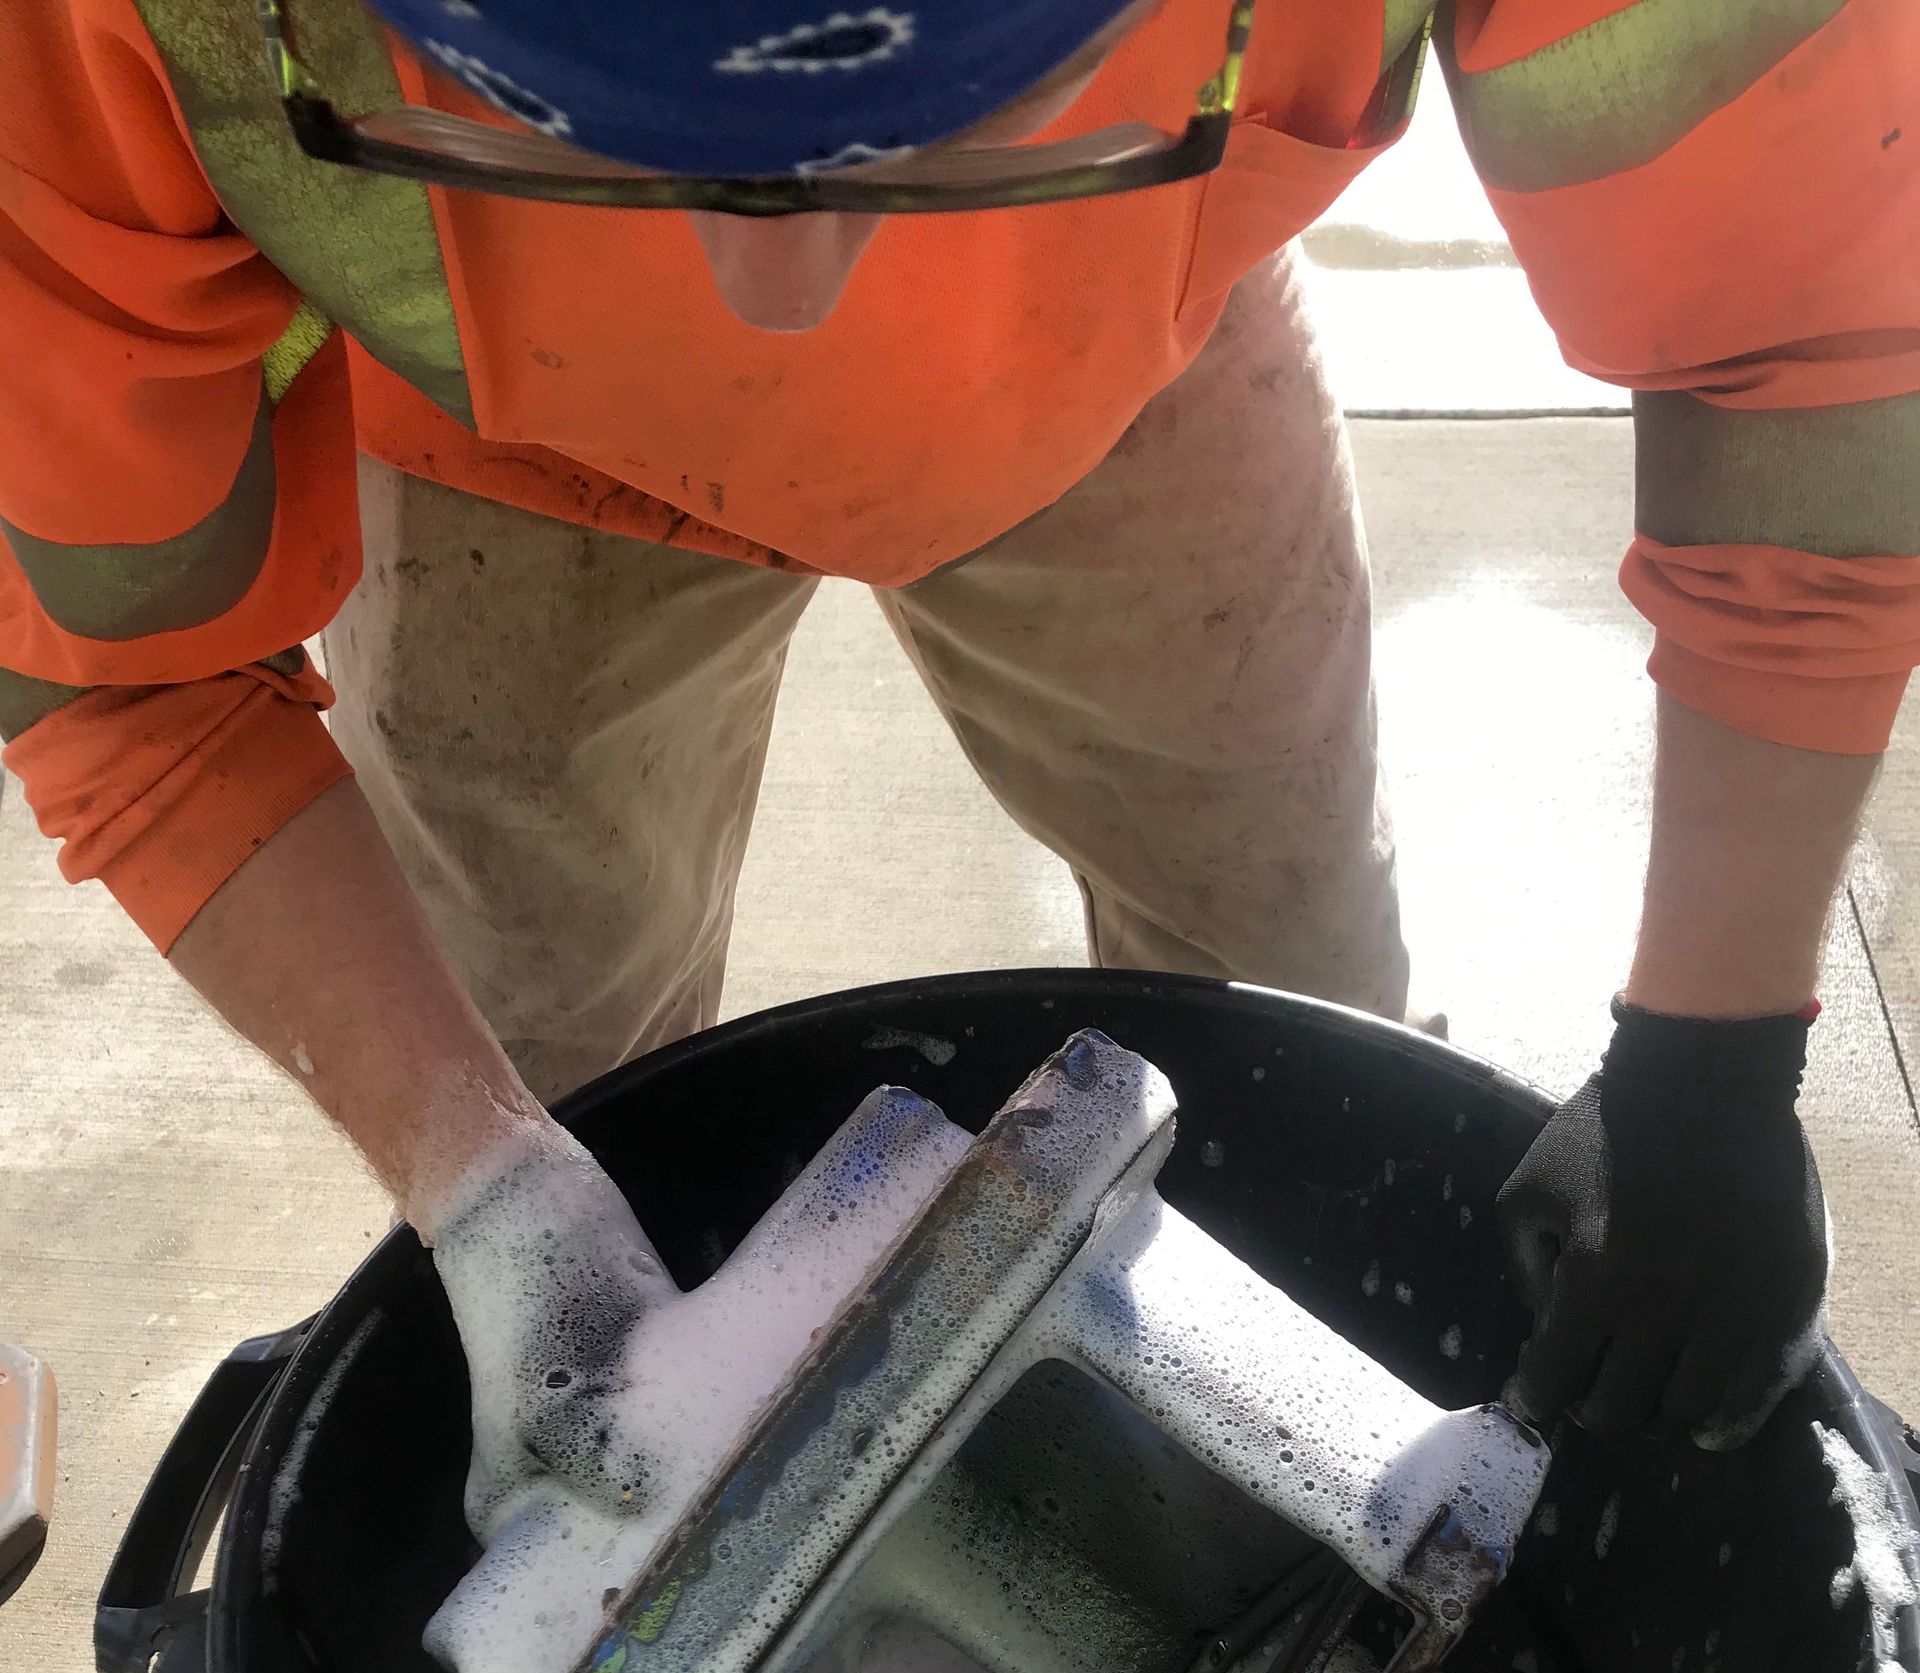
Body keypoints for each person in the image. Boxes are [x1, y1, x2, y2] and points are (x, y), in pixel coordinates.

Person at [2, 0, 1914, 1524]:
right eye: (566, 125)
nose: (789, 299)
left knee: (1288, 969)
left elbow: (1822, 343)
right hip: (504, 451)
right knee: (555, 1059)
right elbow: (117, 675)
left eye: (941, 126)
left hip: (1125, 358)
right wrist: (482, 1175)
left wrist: (1714, 1048)